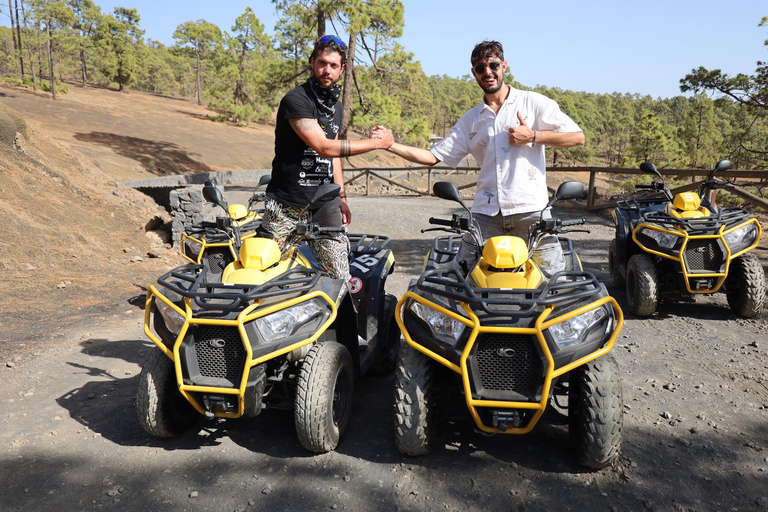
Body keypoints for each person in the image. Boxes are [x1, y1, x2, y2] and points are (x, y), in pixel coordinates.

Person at [374, 40, 584, 277]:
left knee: (553, 280)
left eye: (493, 65)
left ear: (504, 66)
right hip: (486, 215)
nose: (488, 72)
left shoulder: (532, 103)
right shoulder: (471, 120)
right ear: (473, 72)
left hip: (531, 212)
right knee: (462, 277)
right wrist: (390, 145)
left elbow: (577, 137)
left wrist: (533, 135)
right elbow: (433, 156)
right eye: (480, 68)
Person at [264, 35, 394, 281]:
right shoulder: (296, 100)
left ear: (342, 69)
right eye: (322, 63)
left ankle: (335, 319)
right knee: (264, 272)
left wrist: (341, 196)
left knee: (338, 277)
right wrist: (377, 143)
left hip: (325, 206)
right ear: (312, 62)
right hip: (286, 204)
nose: (327, 70)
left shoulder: (335, 106)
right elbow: (323, 147)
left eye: (334, 66)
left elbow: (333, 154)